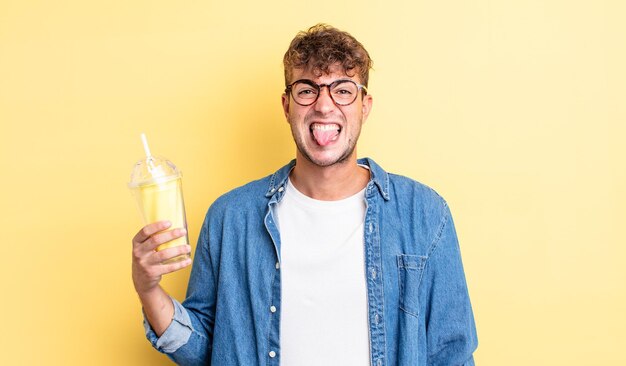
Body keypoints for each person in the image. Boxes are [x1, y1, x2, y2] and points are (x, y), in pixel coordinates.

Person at [132, 23, 478, 366]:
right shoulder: (230, 218)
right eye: (307, 90)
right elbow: (209, 347)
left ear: (365, 105)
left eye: (342, 90)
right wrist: (148, 290)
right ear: (287, 106)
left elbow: (453, 355)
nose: (324, 105)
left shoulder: (424, 214)